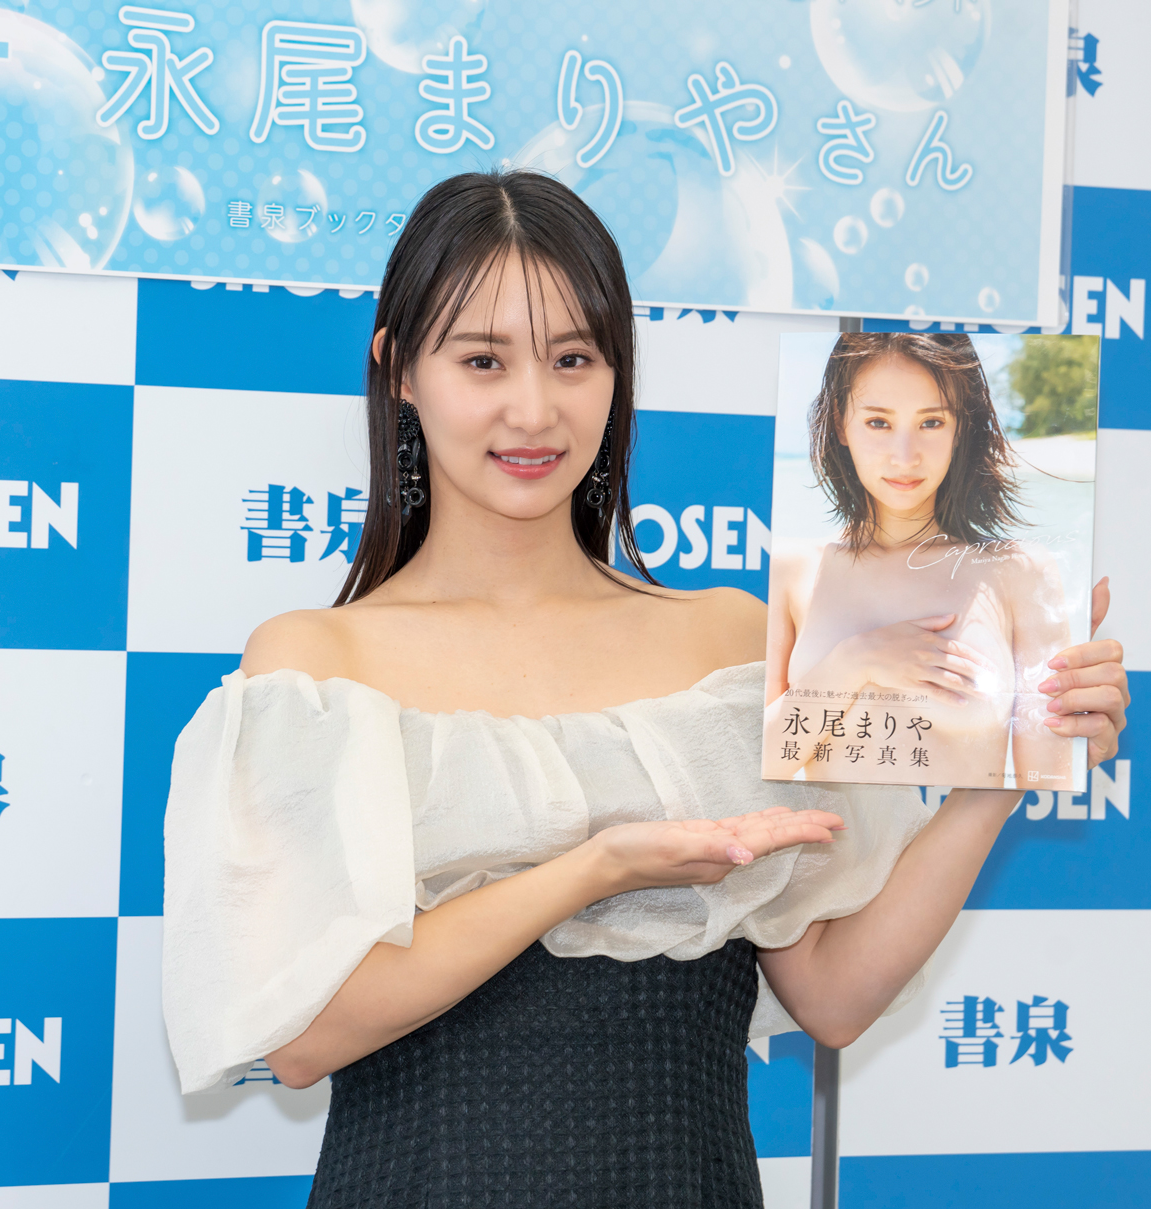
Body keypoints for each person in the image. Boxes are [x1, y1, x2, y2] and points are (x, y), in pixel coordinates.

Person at [161, 171, 1128, 1209]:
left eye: (573, 359)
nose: (534, 409)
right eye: (483, 360)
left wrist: (1003, 768)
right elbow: (304, 1037)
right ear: (399, 369)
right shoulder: (316, 666)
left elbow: (834, 995)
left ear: (617, 374)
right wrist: (593, 868)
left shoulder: (729, 644)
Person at [763, 334, 1083, 788]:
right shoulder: (791, 569)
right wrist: (855, 661)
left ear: (960, 428)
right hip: (828, 837)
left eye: (931, 422)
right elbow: (756, 767)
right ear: (840, 424)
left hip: (964, 837)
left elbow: (1047, 784)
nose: (905, 456)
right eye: (878, 422)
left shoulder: (1018, 571)